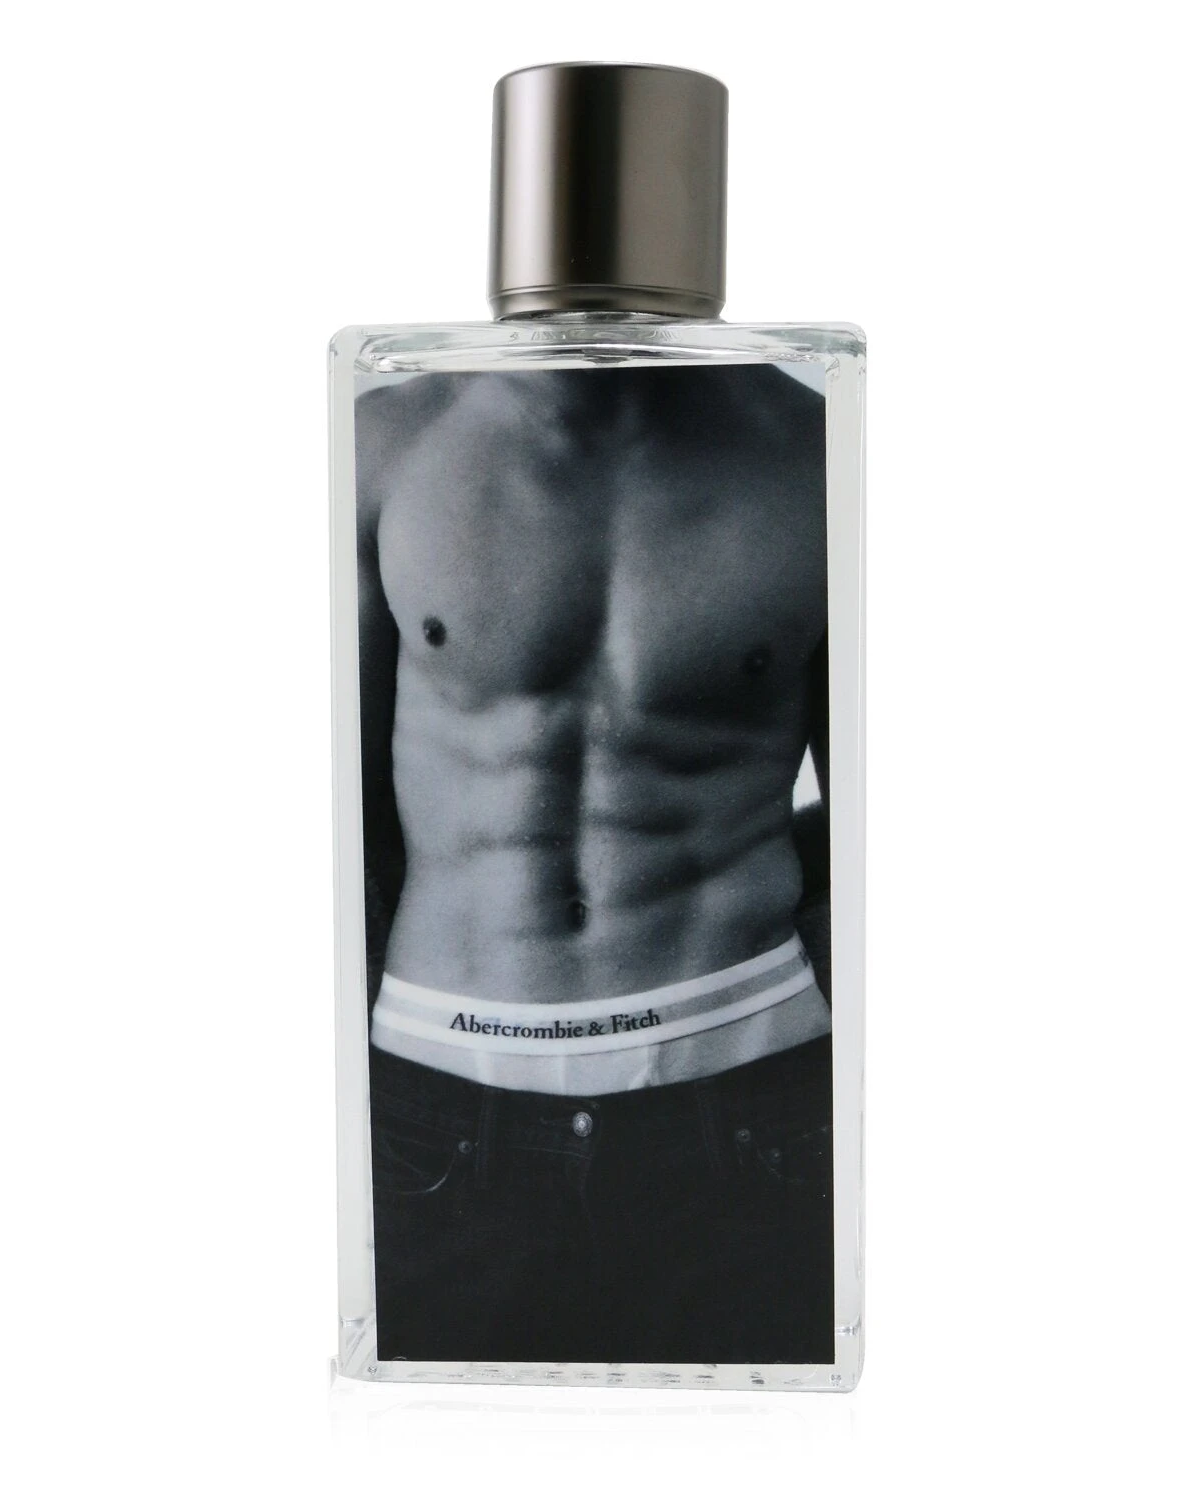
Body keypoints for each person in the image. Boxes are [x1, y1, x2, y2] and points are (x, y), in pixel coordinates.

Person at [357, 363, 834, 1364]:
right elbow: (330, 816)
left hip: (749, 1079)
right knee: (410, 1440)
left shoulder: (819, 454)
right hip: (435, 1094)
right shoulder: (385, 443)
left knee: (777, 1445)